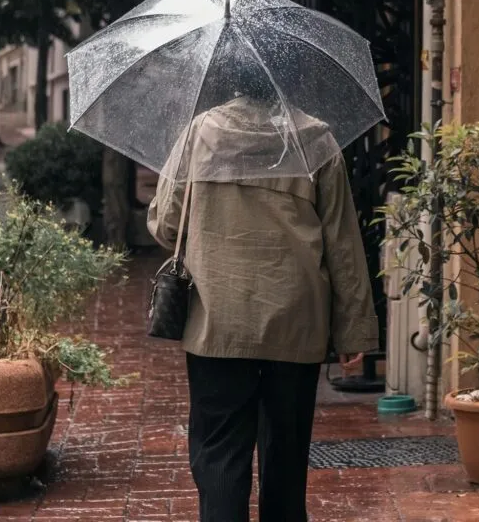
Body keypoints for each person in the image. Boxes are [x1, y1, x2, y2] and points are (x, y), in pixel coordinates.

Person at [147, 73, 378, 521]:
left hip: (218, 321)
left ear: (230, 79)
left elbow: (166, 225)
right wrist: (354, 330)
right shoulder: (316, 138)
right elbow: (343, 245)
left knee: (218, 457)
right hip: (296, 322)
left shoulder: (200, 133)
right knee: (287, 461)